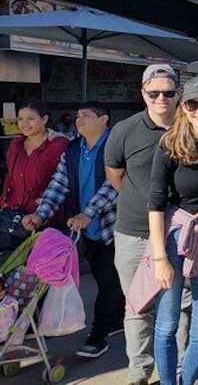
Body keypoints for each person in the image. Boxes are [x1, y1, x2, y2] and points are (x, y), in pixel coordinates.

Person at [104, 63, 190, 385]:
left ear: (178, 93)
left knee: (181, 307)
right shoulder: (125, 130)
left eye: (168, 92)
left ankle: (180, 370)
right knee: (138, 307)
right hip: (133, 233)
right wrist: (141, 200)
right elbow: (115, 174)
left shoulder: (189, 125)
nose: (161, 98)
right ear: (143, 93)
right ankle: (139, 374)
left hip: (179, 234)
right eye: (154, 93)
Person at [22, 101, 123, 358]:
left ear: (104, 119)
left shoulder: (116, 145)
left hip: (114, 225)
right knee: (104, 278)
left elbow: (114, 185)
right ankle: (118, 318)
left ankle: (98, 335)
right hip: (86, 228)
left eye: (86, 116)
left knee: (108, 280)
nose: (79, 120)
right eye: (78, 116)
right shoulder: (74, 148)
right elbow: (59, 183)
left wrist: (88, 213)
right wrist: (41, 214)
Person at [147, 77, 198, 385]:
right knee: (166, 325)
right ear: (183, 107)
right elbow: (155, 204)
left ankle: (188, 380)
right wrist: (159, 258)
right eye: (192, 104)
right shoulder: (168, 145)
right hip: (173, 237)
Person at [1, 102, 69, 248]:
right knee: (17, 265)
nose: (24, 123)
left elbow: (64, 181)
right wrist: (4, 202)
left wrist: (40, 205)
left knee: (44, 266)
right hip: (16, 217)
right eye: (20, 119)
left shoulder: (59, 145)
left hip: (46, 217)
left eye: (31, 118)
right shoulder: (16, 144)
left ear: (44, 119)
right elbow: (10, 177)